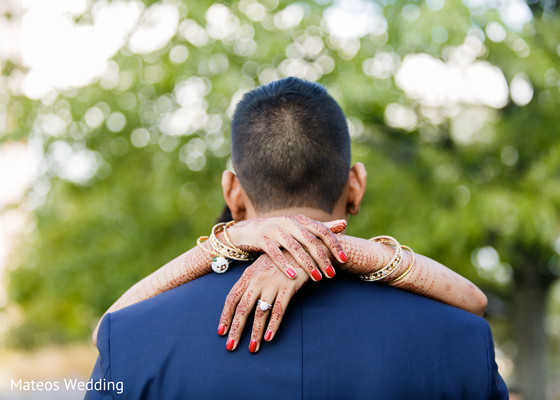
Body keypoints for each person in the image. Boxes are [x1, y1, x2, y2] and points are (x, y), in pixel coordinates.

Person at [86, 77, 508, 399]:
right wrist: (353, 252)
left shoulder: (131, 340)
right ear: (356, 184)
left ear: (232, 192)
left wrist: (229, 239)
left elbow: (111, 325)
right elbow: (475, 303)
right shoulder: (462, 340)